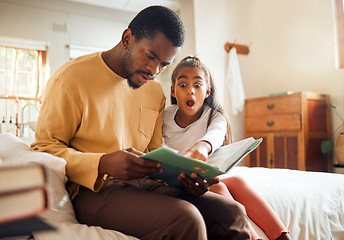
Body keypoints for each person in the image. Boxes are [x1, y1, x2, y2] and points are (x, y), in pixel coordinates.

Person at [31, 5, 251, 240]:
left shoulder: (154, 90)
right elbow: (45, 149)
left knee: (232, 212)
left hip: (145, 183)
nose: (154, 70)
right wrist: (103, 163)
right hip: (93, 190)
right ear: (127, 38)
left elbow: (154, 151)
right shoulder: (70, 79)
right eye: (151, 57)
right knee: (186, 218)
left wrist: (187, 180)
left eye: (165, 64)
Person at [162, 56, 292, 240]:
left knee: (237, 181)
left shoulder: (215, 115)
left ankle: (283, 236)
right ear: (173, 91)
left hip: (203, 179)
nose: (190, 91)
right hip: (176, 184)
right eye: (182, 85)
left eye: (197, 85)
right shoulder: (164, 117)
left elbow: (216, 134)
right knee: (218, 189)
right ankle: (252, 237)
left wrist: (203, 146)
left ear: (207, 91)